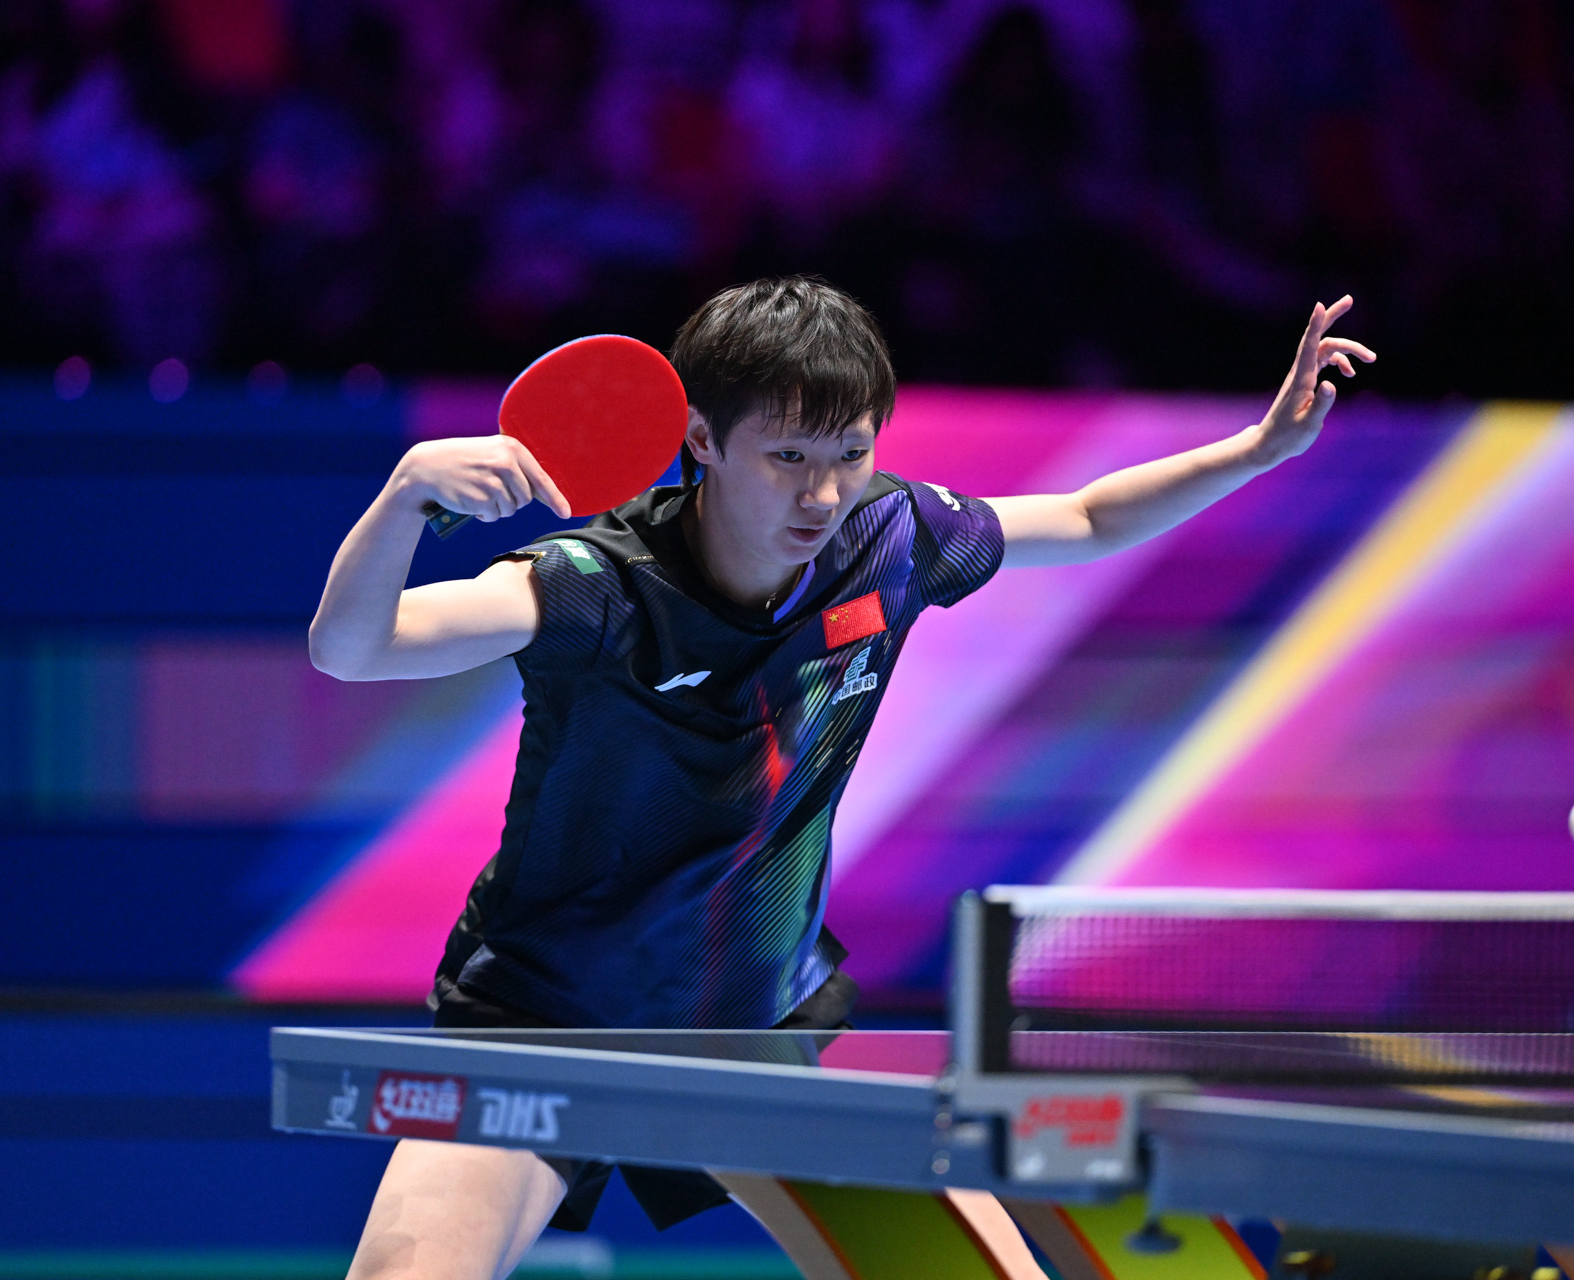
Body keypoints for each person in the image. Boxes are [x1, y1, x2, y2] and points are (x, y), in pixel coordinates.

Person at [307, 276, 1373, 1280]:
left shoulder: (891, 539)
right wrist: (404, 500)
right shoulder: (595, 587)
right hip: (546, 1020)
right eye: (788, 456)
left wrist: (1256, 450)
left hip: (753, 1020)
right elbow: (353, 648)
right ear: (701, 439)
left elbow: (1091, 519)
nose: (822, 492)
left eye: (851, 452)